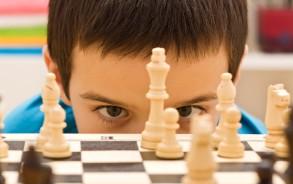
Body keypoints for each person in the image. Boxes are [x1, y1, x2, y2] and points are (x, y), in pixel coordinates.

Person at [4, 0, 266, 134]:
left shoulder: (257, 143)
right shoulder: (20, 139)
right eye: (113, 111)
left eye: (186, 111)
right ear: (58, 78)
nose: (147, 144)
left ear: (233, 77)